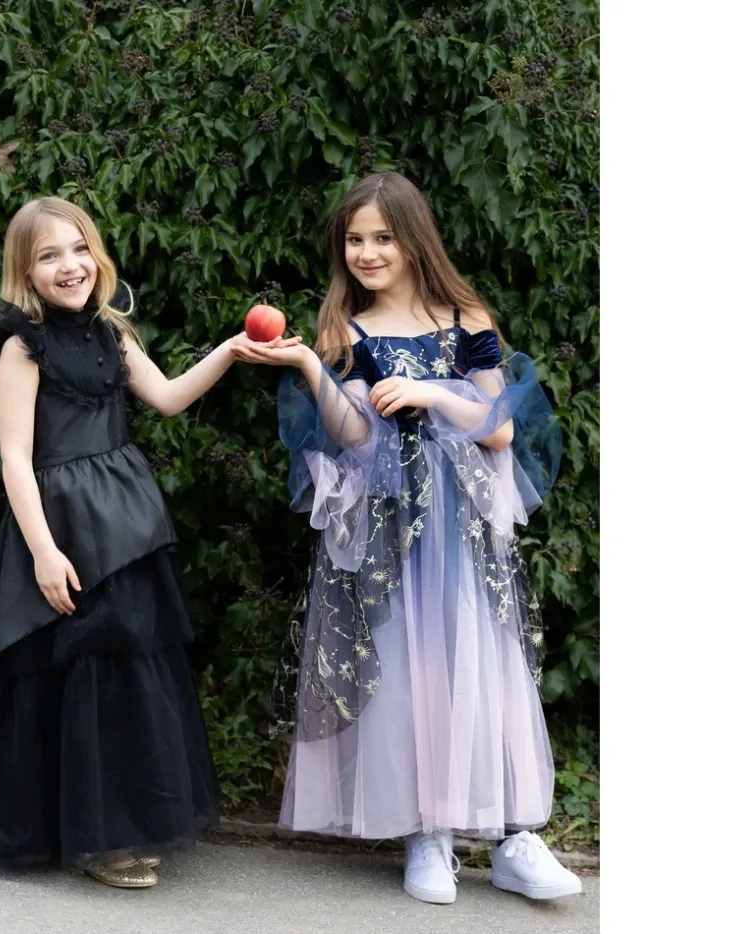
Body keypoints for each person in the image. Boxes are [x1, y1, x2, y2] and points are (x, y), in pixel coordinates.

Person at [234, 172, 580, 904]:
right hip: (393, 528)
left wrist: (429, 391)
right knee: (406, 669)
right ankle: (428, 833)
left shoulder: (463, 318)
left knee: (479, 661)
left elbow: (500, 430)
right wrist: (308, 365)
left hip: (462, 530)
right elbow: (355, 439)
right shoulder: (347, 331)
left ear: (414, 239)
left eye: (383, 238)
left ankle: (513, 835)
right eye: (354, 240)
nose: (366, 253)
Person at [0, 196, 298, 889]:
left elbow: (169, 397)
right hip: (60, 526)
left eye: (79, 249)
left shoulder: (111, 333)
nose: (69, 266)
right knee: (68, 673)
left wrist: (231, 349)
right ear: (25, 271)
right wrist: (43, 551)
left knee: (126, 672)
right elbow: (14, 457)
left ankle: (121, 827)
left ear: (96, 256)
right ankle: (90, 840)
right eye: (49, 256)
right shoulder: (22, 348)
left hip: (125, 526)